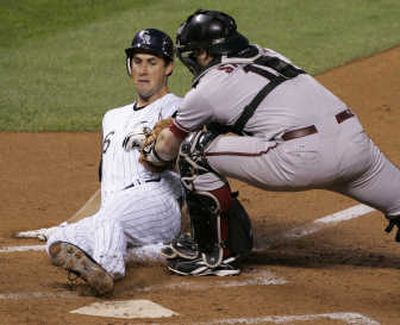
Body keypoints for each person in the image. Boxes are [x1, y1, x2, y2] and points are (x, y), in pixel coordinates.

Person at [140, 10, 400, 276]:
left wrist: (150, 153)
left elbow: (165, 150)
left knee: (193, 150)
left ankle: (210, 253)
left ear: (204, 54)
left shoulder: (207, 89)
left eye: (193, 54)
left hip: (302, 159)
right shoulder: (268, 53)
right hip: (356, 144)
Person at [45, 28, 183, 296]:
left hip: (159, 201)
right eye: (137, 61)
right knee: (59, 241)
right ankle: (150, 252)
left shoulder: (179, 108)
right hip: (117, 210)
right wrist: (70, 221)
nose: (143, 70)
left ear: (169, 67)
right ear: (129, 66)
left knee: (111, 216)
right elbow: (107, 183)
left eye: (152, 62)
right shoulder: (111, 117)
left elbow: (193, 167)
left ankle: (108, 269)